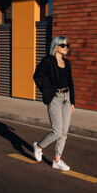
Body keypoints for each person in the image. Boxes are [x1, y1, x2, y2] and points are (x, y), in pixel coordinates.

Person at [33, 36, 75, 171]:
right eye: (63, 45)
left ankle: (57, 160)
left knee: (64, 133)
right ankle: (39, 146)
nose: (66, 48)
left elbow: (70, 82)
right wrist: (47, 91)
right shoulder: (48, 61)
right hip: (55, 98)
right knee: (57, 131)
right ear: (56, 46)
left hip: (67, 98)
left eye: (67, 45)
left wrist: (73, 101)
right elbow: (37, 76)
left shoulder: (67, 63)